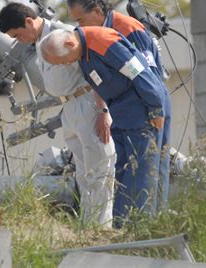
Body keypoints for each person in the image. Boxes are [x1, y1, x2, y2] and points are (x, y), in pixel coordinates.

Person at [0, 3, 116, 227]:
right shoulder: (38, 42)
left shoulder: (63, 35)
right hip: (69, 107)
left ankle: (103, 224)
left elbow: (96, 70)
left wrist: (103, 110)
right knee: (83, 171)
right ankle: (89, 223)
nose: (18, 40)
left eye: (17, 34)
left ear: (28, 22)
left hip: (86, 100)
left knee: (99, 166)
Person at [39, 27, 165, 227]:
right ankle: (115, 223)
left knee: (138, 168)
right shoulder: (84, 52)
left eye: (65, 60)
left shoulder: (103, 43)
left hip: (141, 107)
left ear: (70, 44)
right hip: (121, 108)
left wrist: (156, 108)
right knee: (119, 167)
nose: (68, 64)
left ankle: (137, 225)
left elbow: (138, 72)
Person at [67, 0, 172, 212]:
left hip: (149, 101)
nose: (79, 27)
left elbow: (148, 74)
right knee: (127, 168)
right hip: (124, 107)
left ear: (97, 10)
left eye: (81, 20)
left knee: (150, 167)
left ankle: (151, 224)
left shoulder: (127, 28)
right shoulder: (93, 38)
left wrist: (154, 110)